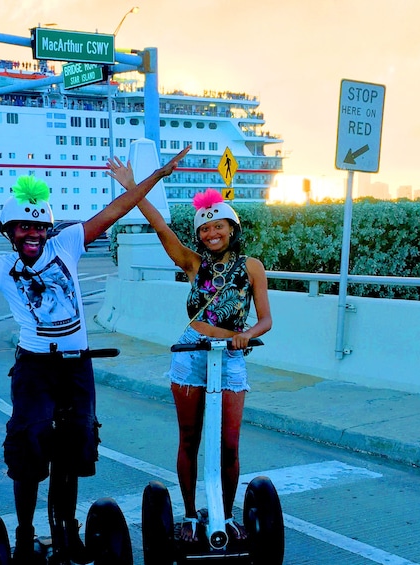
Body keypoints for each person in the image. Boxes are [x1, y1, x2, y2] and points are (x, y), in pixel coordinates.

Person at [0, 147, 190, 564]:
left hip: (76, 365)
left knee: (76, 442)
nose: (32, 234)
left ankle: (66, 527)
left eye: (38, 227)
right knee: (30, 443)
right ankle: (26, 531)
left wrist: (157, 174)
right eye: (22, 227)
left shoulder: (67, 243)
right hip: (35, 368)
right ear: (9, 232)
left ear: (48, 230)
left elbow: (118, 208)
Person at [106, 158, 272, 544]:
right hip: (191, 354)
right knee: (189, 438)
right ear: (200, 235)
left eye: (218, 225)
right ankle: (189, 514)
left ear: (232, 228)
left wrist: (246, 335)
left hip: (229, 358)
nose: (212, 232)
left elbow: (265, 319)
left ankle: (226, 516)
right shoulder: (194, 265)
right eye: (205, 228)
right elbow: (160, 226)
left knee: (230, 444)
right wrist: (133, 185)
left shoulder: (252, 267)